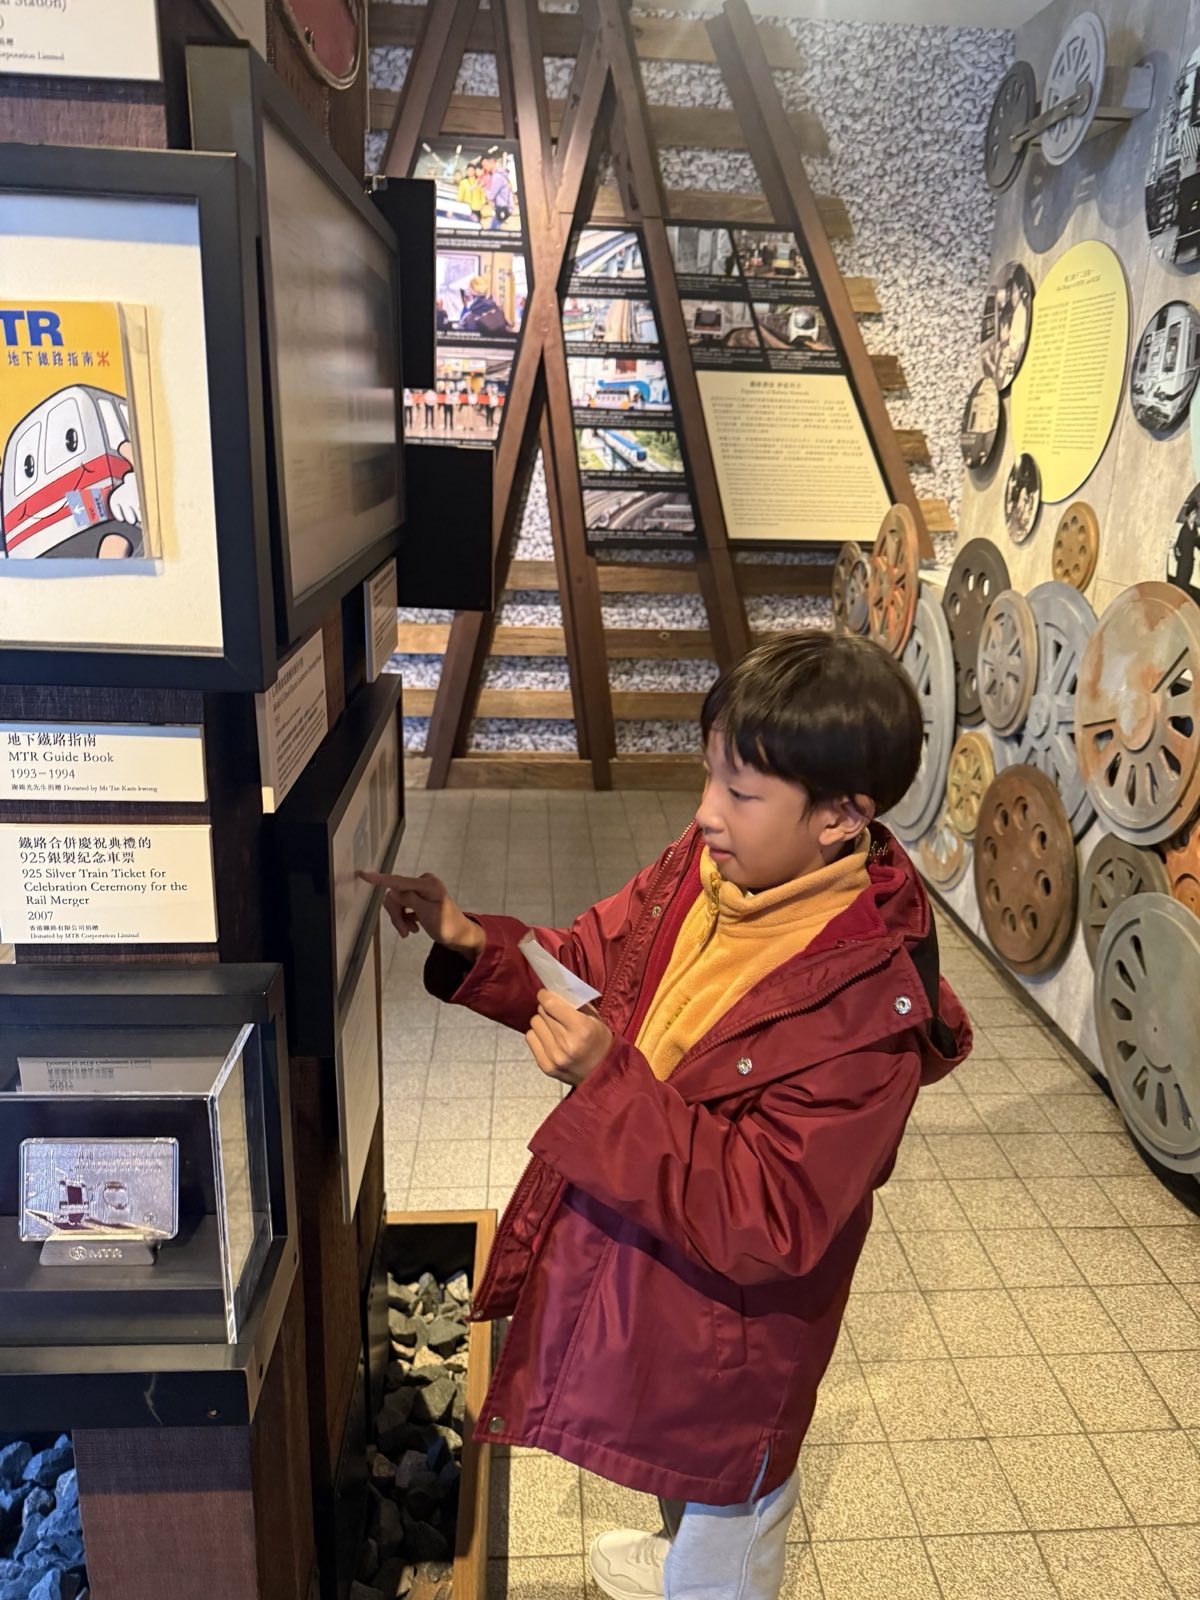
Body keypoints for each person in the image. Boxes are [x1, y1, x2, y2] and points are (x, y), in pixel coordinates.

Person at [363, 632, 971, 1600]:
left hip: (743, 1322)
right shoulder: (706, 872)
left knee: (730, 1491)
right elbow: (593, 965)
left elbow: (772, 1215)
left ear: (841, 818)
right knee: (675, 1449)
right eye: (709, 776)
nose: (705, 812)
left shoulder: (865, 1009)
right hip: (662, 1244)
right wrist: (475, 940)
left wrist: (606, 1084)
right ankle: (679, 1557)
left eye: (741, 792)